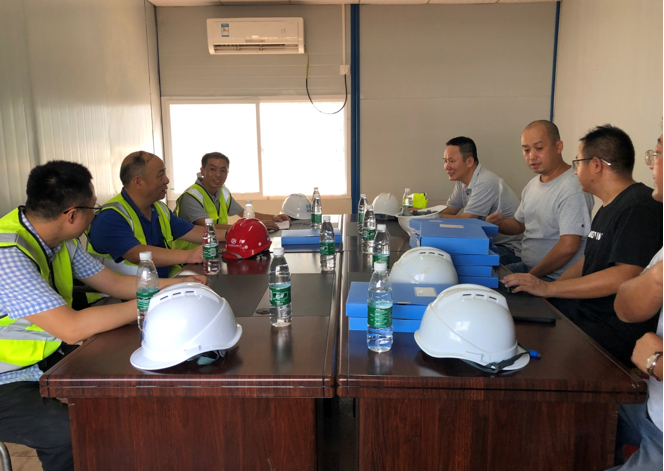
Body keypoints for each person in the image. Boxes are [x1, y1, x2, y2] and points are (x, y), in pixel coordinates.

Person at [0, 161, 206, 471]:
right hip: (6, 378)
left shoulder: (61, 241)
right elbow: (71, 328)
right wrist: (155, 300)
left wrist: (178, 285)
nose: (94, 216)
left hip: (41, 359)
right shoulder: (8, 254)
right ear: (72, 215)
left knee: (133, 377)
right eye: (92, 209)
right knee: (69, 431)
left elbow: (115, 284)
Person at [503, 125, 663, 366]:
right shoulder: (607, 206)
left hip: (609, 327)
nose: (575, 170)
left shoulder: (639, 206)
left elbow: (623, 275)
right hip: (584, 311)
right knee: (516, 314)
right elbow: (587, 260)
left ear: (596, 165)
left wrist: (550, 289)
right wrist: (548, 290)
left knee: (530, 341)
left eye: (577, 162)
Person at [606, 133, 663, 471]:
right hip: (651, 409)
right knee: (561, 418)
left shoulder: (637, 206)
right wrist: (657, 277)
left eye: (659, 154)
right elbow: (624, 307)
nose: (653, 165)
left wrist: (657, 363)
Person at [487, 120, 594, 280]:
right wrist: (498, 224)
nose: (532, 156)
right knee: (484, 278)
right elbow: (519, 225)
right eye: (526, 150)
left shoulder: (572, 187)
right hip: (529, 268)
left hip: (555, 278)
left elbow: (569, 247)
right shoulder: (532, 185)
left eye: (539, 148)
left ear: (558, 147)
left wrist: (530, 277)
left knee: (496, 287)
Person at [88, 151, 206, 278]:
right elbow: (135, 254)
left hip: (162, 283)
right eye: (160, 175)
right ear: (138, 182)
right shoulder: (109, 217)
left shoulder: (159, 208)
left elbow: (193, 232)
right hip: (127, 290)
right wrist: (189, 255)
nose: (166, 180)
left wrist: (222, 235)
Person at [174, 152, 289, 250]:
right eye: (212, 169)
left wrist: (273, 217)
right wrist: (255, 226)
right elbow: (209, 228)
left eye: (223, 170)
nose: (218, 175)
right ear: (202, 171)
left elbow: (244, 213)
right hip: (188, 259)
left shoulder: (222, 191)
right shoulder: (191, 196)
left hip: (216, 250)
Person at [439, 136, 522, 264]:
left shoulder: (484, 182)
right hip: (486, 242)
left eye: (451, 161)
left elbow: (467, 222)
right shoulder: (462, 181)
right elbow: (450, 210)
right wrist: (423, 213)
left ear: (469, 161)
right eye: (445, 161)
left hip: (508, 248)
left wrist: (432, 217)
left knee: (457, 262)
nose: (446, 167)